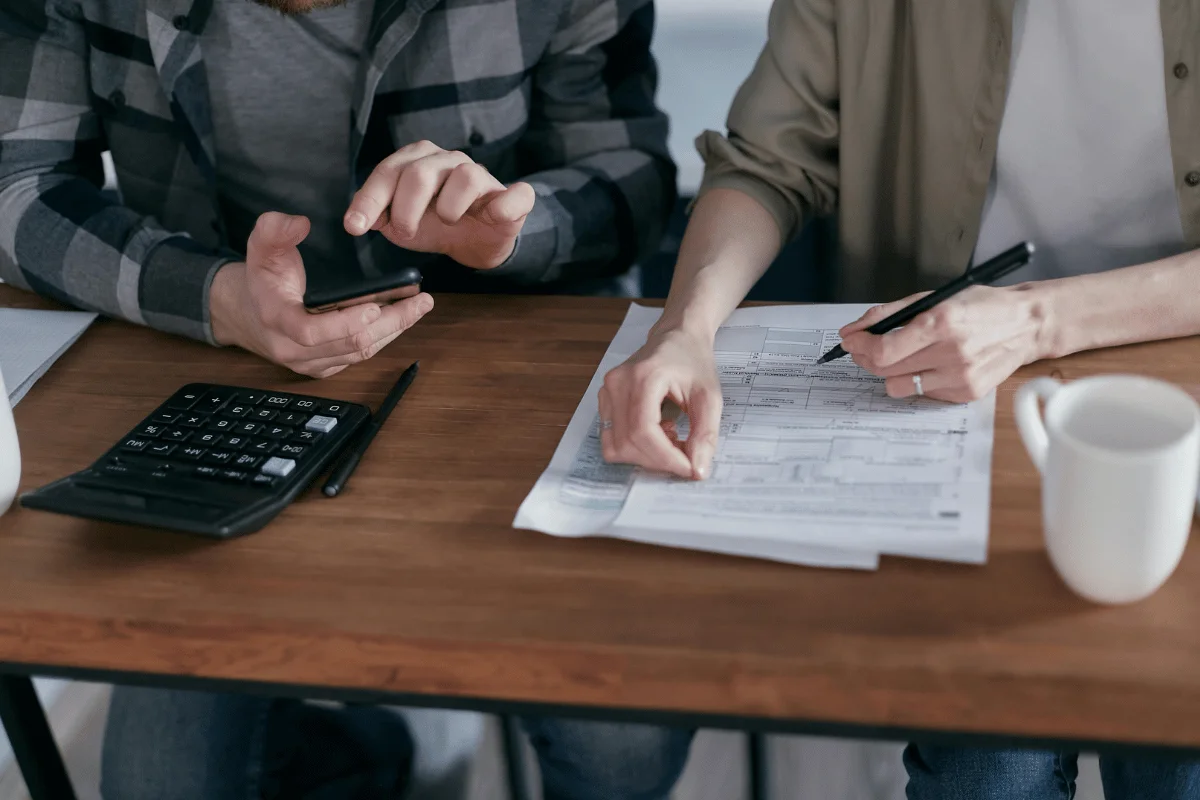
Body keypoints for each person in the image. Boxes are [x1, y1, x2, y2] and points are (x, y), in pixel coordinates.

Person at [0, 0, 694, 796]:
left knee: (622, 744)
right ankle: (381, 748)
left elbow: (633, 186)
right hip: (220, 374)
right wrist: (215, 296)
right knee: (157, 779)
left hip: (501, 372)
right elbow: (17, 182)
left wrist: (512, 229)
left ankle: (409, 738)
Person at [599, 0, 1200, 797]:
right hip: (940, 388)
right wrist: (686, 327)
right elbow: (767, 162)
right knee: (982, 769)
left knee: (1173, 736)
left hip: (1170, 362)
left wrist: (1036, 318)